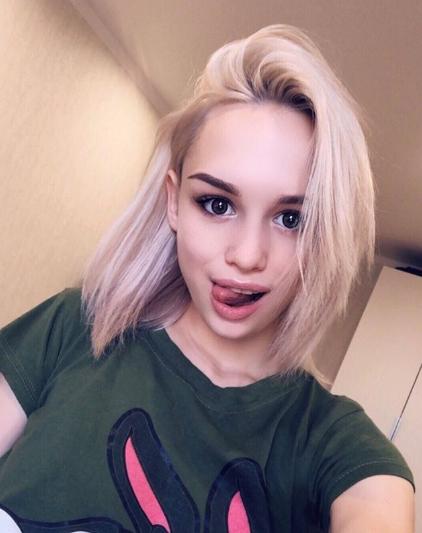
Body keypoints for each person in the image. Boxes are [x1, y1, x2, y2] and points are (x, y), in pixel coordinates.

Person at [0, 24, 415, 533]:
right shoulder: (77, 325)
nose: (247, 256)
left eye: (291, 219)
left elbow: (376, 506)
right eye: (217, 204)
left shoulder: (334, 442)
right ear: (174, 201)